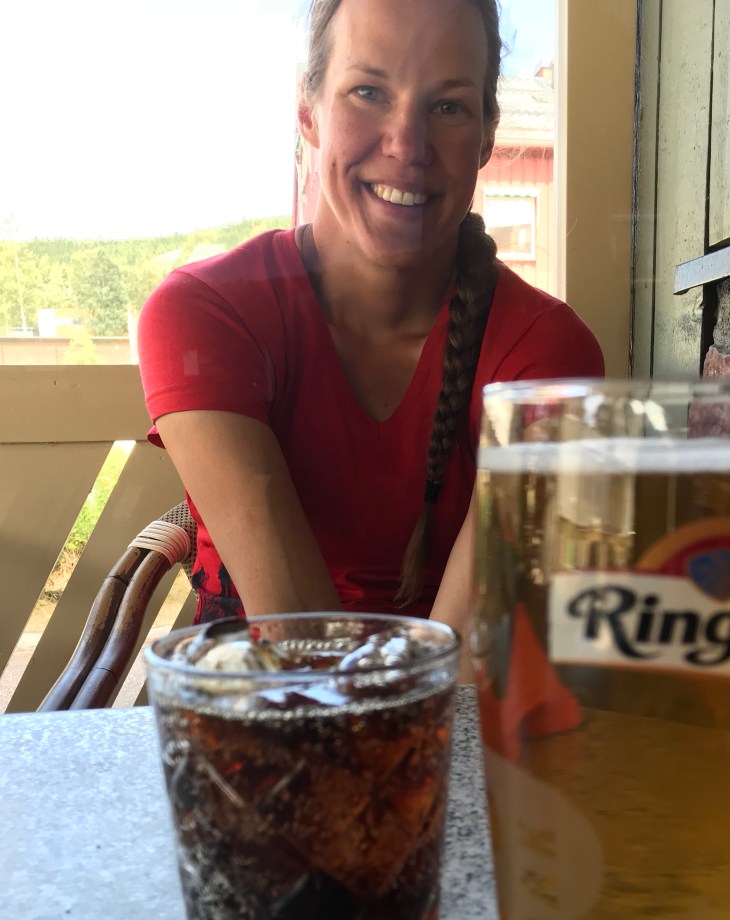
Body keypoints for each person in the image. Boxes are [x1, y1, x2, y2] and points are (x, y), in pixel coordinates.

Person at [137, 0, 603, 673]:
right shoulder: (206, 315)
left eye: (448, 106)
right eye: (368, 92)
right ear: (308, 112)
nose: (407, 146)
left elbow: (456, 673)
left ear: (486, 137)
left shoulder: (549, 352)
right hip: (258, 709)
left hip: (456, 718)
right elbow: (303, 645)